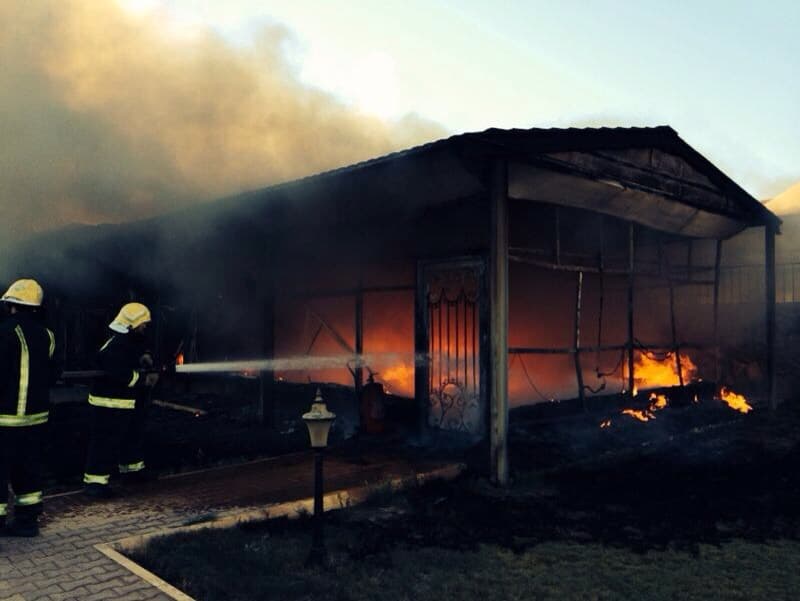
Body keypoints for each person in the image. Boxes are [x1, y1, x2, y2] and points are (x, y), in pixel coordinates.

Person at [83, 302, 158, 498]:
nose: (145, 327)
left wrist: (145, 357)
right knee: (104, 442)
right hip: (108, 403)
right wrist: (143, 379)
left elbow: (138, 352)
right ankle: (95, 484)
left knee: (131, 436)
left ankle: (132, 471)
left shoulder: (130, 341)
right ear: (132, 324)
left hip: (125, 402)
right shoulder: (116, 345)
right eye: (143, 324)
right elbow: (118, 372)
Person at [0, 279, 56, 537]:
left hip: (5, 419)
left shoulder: (5, 332)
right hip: (37, 419)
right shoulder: (48, 335)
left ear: (11, 305)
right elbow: (55, 373)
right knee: (29, 470)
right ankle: (27, 522)